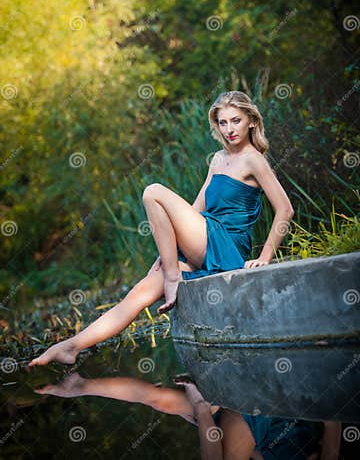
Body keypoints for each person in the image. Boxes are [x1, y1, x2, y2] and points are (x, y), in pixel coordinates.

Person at [28, 90, 294, 368]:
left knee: (152, 191)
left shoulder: (254, 160)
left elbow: (285, 209)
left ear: (251, 121)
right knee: (142, 290)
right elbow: (194, 211)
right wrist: (169, 252)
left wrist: (264, 257)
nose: (229, 129)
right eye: (222, 122)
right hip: (205, 238)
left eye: (235, 121)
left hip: (227, 244)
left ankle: (172, 277)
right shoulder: (217, 159)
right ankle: (71, 346)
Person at [33, 372, 341, 459]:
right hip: (276, 416)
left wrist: (201, 412)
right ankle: (204, 407)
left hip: (245, 429)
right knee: (168, 403)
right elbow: (332, 421)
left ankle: (81, 386)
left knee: (161, 402)